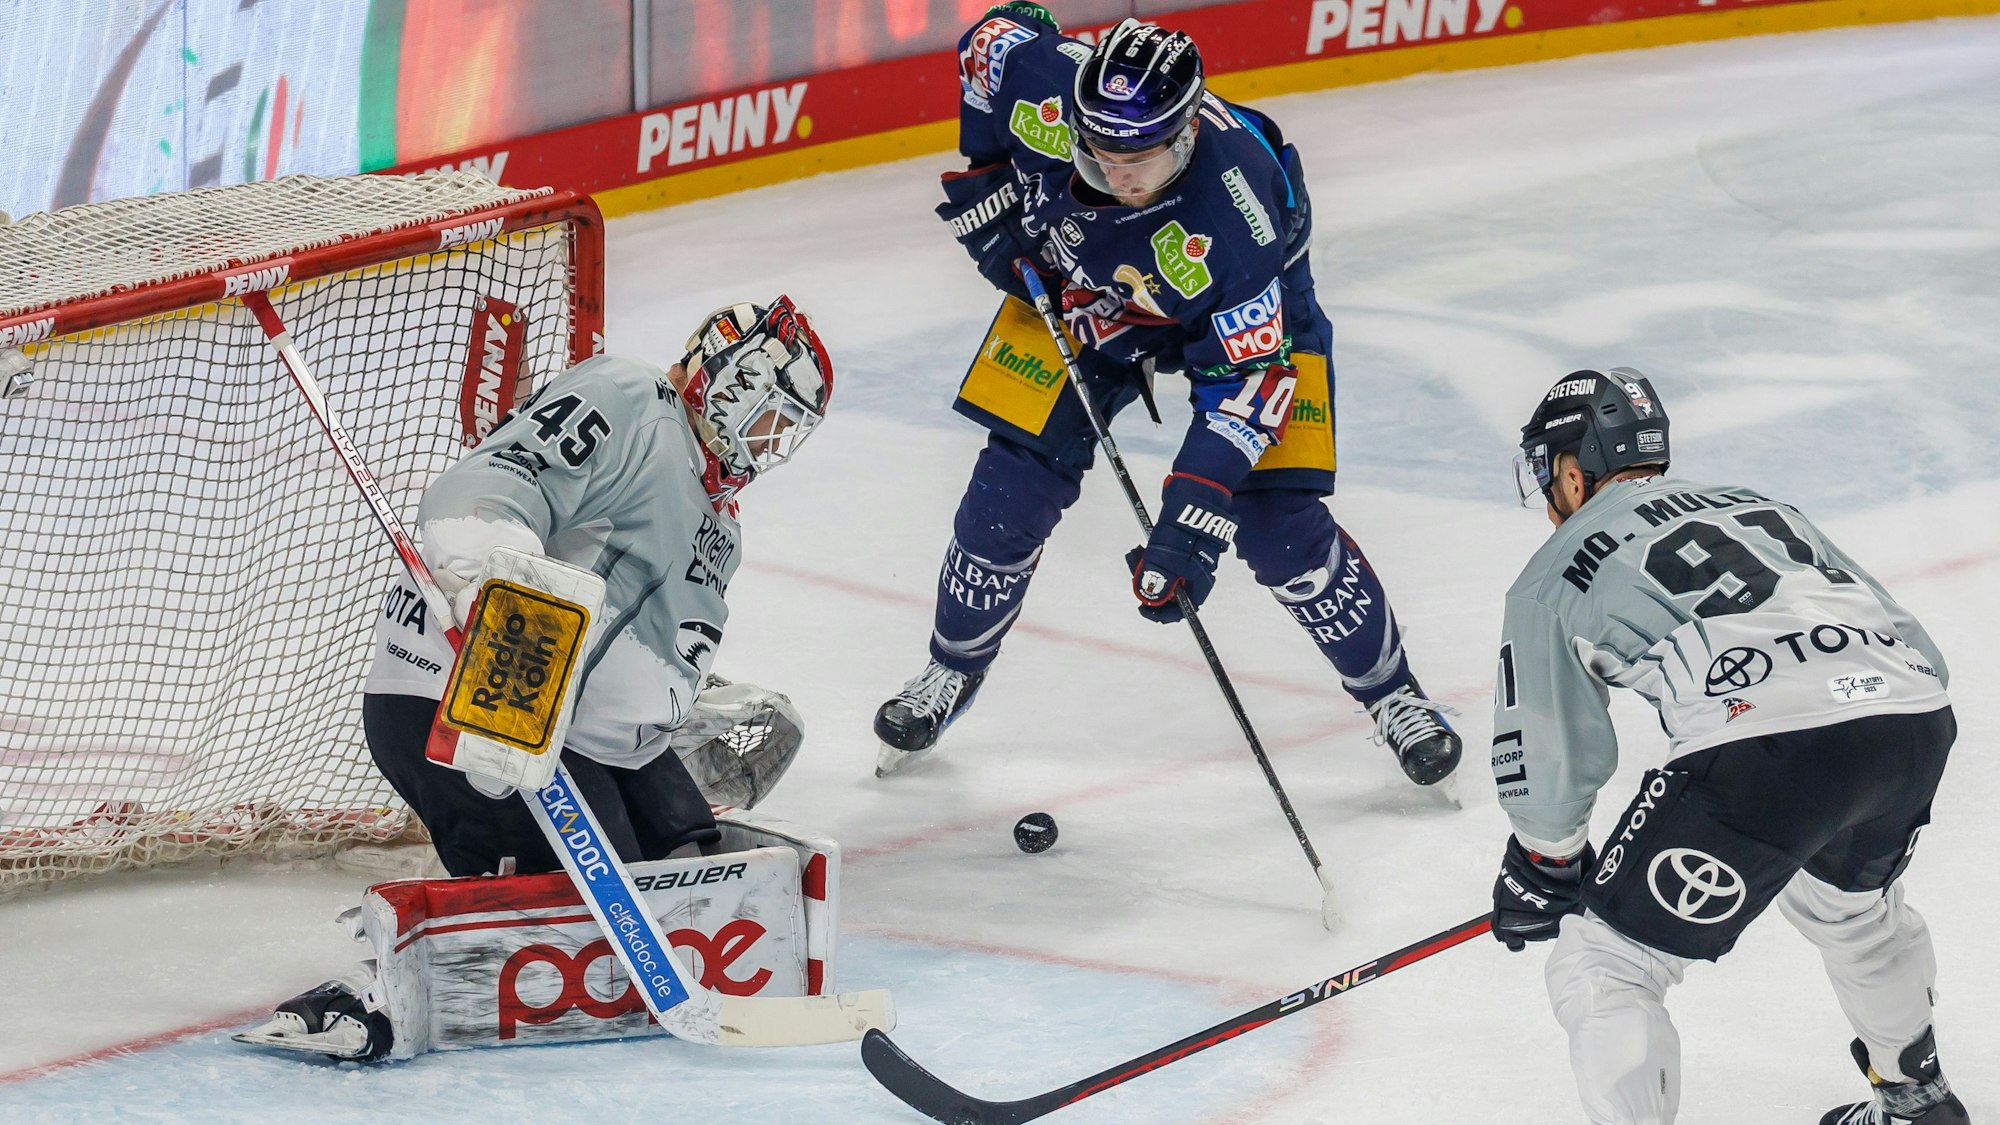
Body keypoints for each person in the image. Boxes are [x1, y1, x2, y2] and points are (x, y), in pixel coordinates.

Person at [875, 8, 1461, 787]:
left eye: (1138, 160)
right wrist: (986, 180)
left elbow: (1246, 386)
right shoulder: (1046, 88)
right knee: (1006, 492)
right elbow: (992, 39)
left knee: (1278, 524)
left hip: (1249, 320)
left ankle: (1395, 696)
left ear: (1184, 138)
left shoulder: (1237, 223)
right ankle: (950, 670)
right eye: (1096, 149)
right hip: (1083, 295)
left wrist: (1193, 515)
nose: (1114, 173)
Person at [1488, 369, 1967, 1124]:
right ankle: (1918, 1102)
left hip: (1771, 742)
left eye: (1548, 472)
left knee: (1606, 960)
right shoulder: (1763, 506)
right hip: (1912, 719)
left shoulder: (1552, 572)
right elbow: (1920, 651)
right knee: (1851, 911)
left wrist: (1546, 863)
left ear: (1574, 472)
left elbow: (1553, 754)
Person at [362, 295, 832, 878]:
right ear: (734, 383)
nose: (772, 442)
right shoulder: (632, 398)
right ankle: (459, 949)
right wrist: (495, 602)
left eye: (788, 431)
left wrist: (675, 707)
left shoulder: (720, 518)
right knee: (600, 899)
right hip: (473, 703)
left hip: (580, 738)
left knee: (689, 865)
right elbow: (482, 491)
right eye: (771, 418)